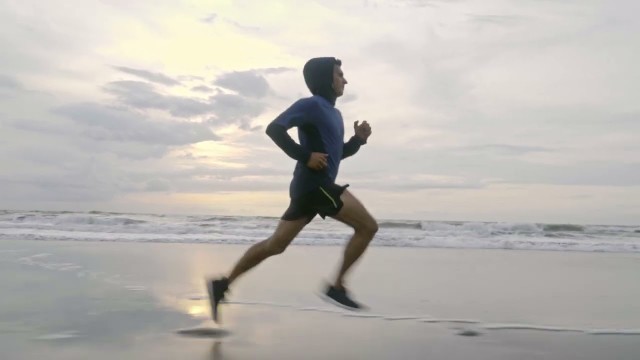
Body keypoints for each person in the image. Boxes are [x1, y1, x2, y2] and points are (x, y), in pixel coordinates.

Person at [207, 57, 377, 323]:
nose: (345, 79)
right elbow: (274, 129)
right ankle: (337, 286)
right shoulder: (310, 105)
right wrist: (304, 155)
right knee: (368, 227)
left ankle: (223, 283)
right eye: (340, 74)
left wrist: (357, 141)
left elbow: (335, 155)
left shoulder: (334, 114)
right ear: (326, 79)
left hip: (307, 189)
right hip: (315, 186)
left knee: (276, 245)